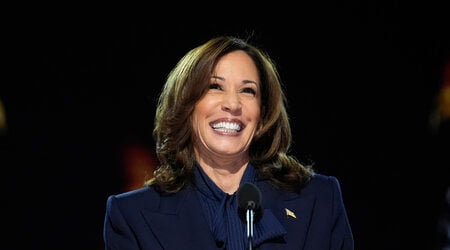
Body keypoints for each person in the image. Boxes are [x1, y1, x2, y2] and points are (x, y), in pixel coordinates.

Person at [103, 35, 354, 250]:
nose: (233, 105)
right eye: (215, 87)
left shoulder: (320, 200)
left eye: (248, 91)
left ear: (263, 113)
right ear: (187, 106)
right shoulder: (131, 216)